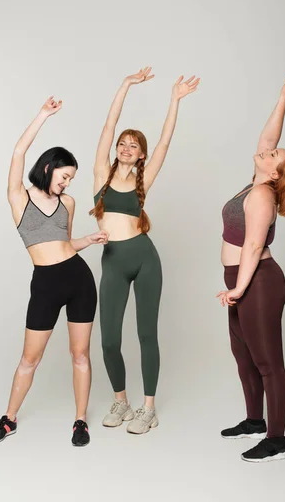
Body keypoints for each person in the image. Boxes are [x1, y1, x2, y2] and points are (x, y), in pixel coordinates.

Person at [0, 96, 107, 447]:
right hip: (46, 283)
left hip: (78, 279)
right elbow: (18, 153)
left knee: (80, 354)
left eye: (71, 179)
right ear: (50, 167)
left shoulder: (67, 203)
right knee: (29, 358)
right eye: (65, 175)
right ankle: (9, 420)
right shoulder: (19, 198)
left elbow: (64, 245)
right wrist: (43, 115)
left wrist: (89, 239)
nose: (68, 184)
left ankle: (80, 421)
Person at [90, 67, 200, 434]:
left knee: (147, 334)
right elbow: (108, 126)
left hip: (144, 258)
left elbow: (166, 141)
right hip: (113, 263)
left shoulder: (144, 178)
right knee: (108, 339)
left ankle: (147, 409)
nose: (125, 147)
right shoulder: (99, 175)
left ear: (140, 156)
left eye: (133, 145)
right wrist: (124, 85)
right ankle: (120, 401)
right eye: (123, 142)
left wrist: (174, 100)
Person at [217, 74, 285, 462]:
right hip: (240, 279)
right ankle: (254, 421)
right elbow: (267, 139)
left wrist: (238, 289)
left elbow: (252, 244)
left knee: (268, 362)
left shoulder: (264, 194)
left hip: (259, 282)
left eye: (273, 156)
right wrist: (282, 98)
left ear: (275, 174)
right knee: (244, 355)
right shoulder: (258, 180)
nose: (266, 151)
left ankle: (276, 440)